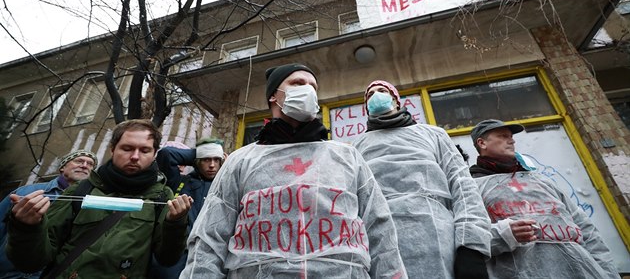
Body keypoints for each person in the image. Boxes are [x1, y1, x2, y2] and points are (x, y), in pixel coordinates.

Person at [179, 63, 407, 278]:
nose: (308, 90)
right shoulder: (241, 160)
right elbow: (209, 240)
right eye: (298, 84)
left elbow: (380, 230)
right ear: (273, 95)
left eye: (313, 87)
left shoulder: (347, 156)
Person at [6, 119, 193, 278]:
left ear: (154, 155)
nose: (135, 157)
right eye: (127, 148)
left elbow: (167, 259)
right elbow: (33, 262)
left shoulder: (162, 196)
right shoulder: (81, 189)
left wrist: (175, 223)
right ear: (113, 149)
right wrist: (27, 227)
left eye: (144, 150)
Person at [352, 80, 491, 279]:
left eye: (381, 91)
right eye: (370, 95)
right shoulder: (356, 146)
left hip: (439, 238)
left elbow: (463, 186)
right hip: (380, 243)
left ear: (396, 101)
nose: (375, 96)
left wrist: (470, 247)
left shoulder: (433, 134)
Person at [469, 119, 619, 279]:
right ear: (482, 143)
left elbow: (585, 229)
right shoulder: (472, 186)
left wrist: (608, 273)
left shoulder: (541, 181)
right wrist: (503, 235)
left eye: (511, 136)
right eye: (503, 135)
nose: (512, 140)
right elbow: (467, 237)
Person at [0, 150, 97, 279]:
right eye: (79, 161)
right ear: (62, 167)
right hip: (9, 273)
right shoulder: (27, 192)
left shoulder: (91, 204)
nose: (85, 165)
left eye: (90, 164)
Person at [149, 138, 226, 278]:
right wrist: (201, 151)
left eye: (216, 159)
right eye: (206, 160)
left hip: (209, 256)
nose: (212, 165)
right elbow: (167, 154)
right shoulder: (179, 182)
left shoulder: (225, 185)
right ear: (196, 161)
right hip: (176, 255)